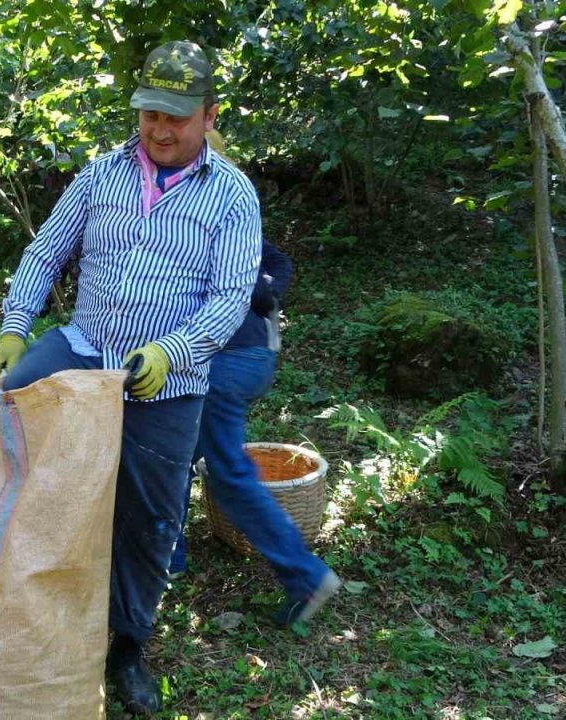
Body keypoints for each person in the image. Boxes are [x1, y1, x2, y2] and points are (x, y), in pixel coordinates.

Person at [0, 41, 261, 716]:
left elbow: (230, 299)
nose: (161, 130)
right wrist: (17, 325)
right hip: (85, 350)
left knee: (150, 521)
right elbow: (46, 249)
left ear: (208, 114)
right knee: (11, 410)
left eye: (177, 117)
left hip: (168, 383)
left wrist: (174, 348)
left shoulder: (231, 193)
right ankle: (23, 600)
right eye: (149, 115)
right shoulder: (102, 174)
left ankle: (126, 647)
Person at [167, 133, 342, 627]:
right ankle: (170, 556)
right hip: (229, 357)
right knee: (178, 450)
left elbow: (277, 264)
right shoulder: (181, 211)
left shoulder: (218, 210)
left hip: (234, 358)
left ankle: (307, 577)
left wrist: (263, 293)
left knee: (224, 469)